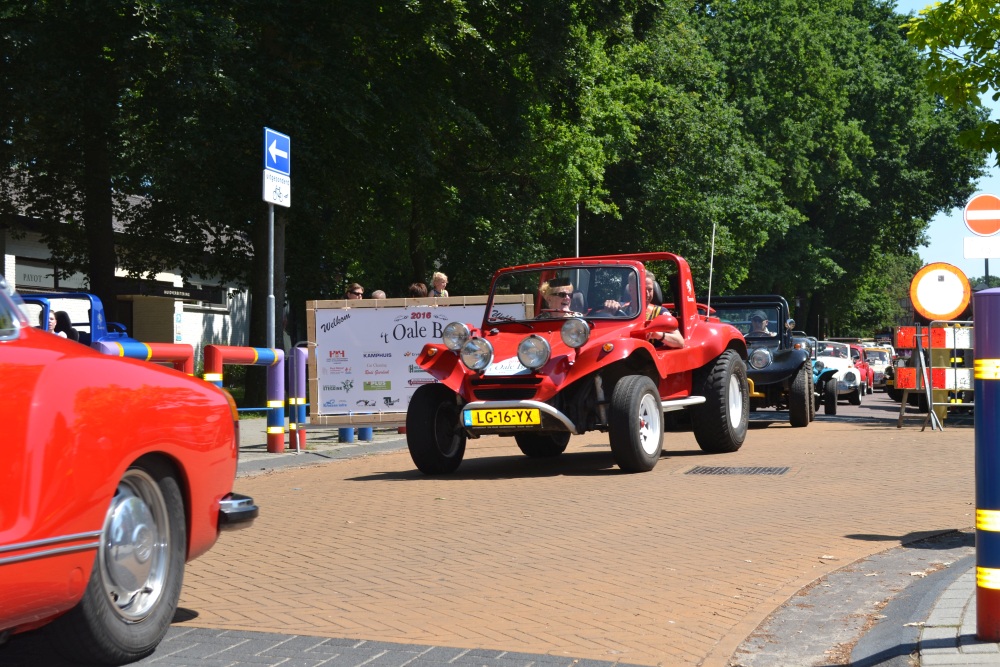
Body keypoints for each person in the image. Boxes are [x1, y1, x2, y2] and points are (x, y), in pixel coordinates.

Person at [641, 272, 684, 349]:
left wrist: (657, 334)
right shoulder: (619, 310)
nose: (647, 294)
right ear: (631, 290)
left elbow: (680, 342)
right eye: (642, 290)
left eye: (650, 290)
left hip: (651, 358)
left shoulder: (660, 312)